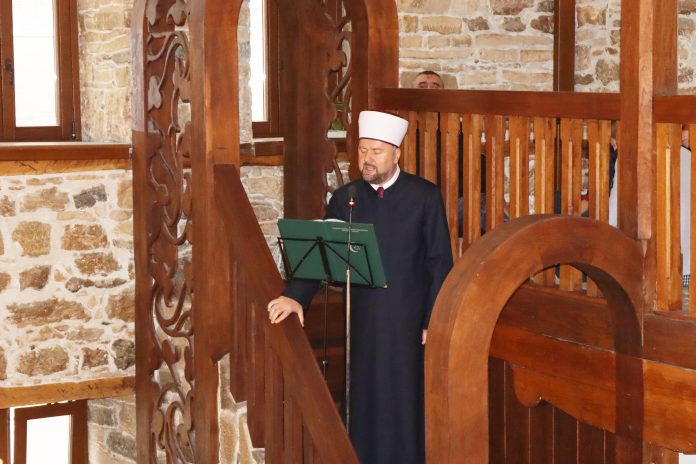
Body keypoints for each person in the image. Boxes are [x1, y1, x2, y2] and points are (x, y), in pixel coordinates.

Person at [267, 110, 453, 464]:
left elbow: (439, 262)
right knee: (363, 399)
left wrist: (434, 319)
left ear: (396, 153)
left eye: (376, 151)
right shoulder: (346, 197)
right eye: (363, 150)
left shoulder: (424, 195)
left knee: (405, 401)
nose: (367, 158)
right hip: (363, 321)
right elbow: (320, 251)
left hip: (409, 322)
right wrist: (295, 297)